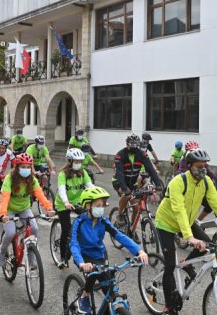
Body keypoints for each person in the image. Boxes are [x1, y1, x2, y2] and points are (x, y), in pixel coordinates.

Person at [155, 149, 217, 315]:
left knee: (209, 246)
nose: (203, 169)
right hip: (166, 223)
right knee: (170, 266)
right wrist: (189, 237)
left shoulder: (207, 182)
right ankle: (169, 306)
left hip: (186, 222)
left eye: (205, 166)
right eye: (199, 166)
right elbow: (178, 209)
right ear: (189, 166)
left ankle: (187, 265)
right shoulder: (178, 182)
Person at [69, 186, 149, 314]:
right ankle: (84, 296)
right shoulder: (79, 222)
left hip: (100, 254)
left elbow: (119, 235)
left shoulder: (103, 221)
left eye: (103, 205)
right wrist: (81, 263)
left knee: (109, 291)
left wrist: (139, 251)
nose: (101, 208)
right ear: (88, 206)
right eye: (98, 205)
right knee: (93, 271)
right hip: (85, 257)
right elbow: (73, 244)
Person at [0, 154, 55, 267]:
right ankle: (2, 251)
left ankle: (31, 255)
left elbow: (40, 194)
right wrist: (3, 214)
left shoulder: (32, 179)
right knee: (10, 233)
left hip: (24, 208)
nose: (26, 169)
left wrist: (48, 208)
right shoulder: (10, 178)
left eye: (29, 167)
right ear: (17, 167)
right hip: (9, 209)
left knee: (34, 228)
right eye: (23, 167)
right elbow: (5, 197)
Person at [54, 148, 94, 269]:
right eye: (76, 161)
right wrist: (66, 202)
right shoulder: (63, 174)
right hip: (63, 204)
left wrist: (99, 199)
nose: (79, 163)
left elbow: (90, 187)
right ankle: (63, 259)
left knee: (89, 220)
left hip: (77, 202)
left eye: (80, 161)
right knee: (66, 230)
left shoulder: (83, 172)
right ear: (70, 161)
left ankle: (80, 243)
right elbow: (61, 190)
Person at [112, 134, 162, 225]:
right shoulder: (120, 154)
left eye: (135, 143)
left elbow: (151, 170)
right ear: (127, 144)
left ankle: (132, 230)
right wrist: (124, 188)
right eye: (131, 143)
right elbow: (119, 173)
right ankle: (119, 214)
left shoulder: (142, 154)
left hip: (132, 182)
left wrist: (158, 184)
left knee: (136, 207)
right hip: (119, 181)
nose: (133, 145)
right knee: (126, 195)